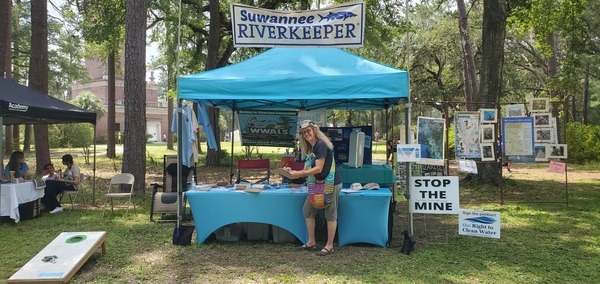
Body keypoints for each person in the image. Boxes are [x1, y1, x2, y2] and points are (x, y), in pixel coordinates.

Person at [287, 120, 342, 256]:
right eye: (303, 132)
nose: (306, 134)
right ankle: (311, 241)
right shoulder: (311, 148)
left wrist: (299, 173)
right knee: (307, 210)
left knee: (330, 214)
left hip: (330, 184)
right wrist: (290, 171)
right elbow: (306, 169)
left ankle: (329, 246)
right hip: (317, 184)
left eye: (308, 131)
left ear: (314, 131)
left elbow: (318, 168)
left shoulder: (320, 145)